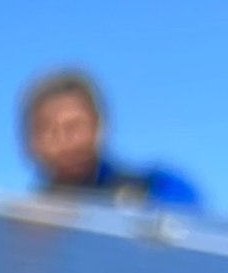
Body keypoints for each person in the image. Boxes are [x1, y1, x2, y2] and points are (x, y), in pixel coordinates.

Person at [19, 69, 202, 210]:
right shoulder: (21, 230)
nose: (65, 141)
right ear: (29, 142)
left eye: (74, 127)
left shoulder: (158, 190)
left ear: (100, 125)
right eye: (49, 130)